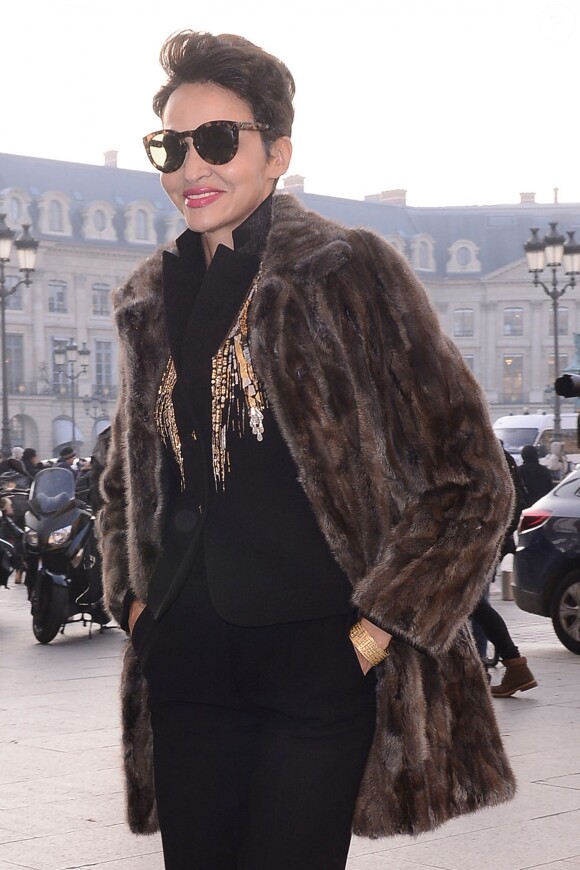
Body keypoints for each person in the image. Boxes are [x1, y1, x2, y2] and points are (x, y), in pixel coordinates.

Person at [99, 30, 515, 870]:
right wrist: (135, 607)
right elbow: (123, 484)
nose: (191, 167)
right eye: (169, 147)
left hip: (316, 662)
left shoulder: (347, 270)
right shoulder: (149, 295)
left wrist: (374, 633)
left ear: (278, 151)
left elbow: (473, 480)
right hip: (185, 663)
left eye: (217, 140)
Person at [470, 445, 537, 697]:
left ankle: (482, 671)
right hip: (486, 541)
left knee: (472, 605)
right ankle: (508, 665)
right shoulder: (496, 450)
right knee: (475, 605)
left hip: (470, 544)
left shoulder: (471, 449)